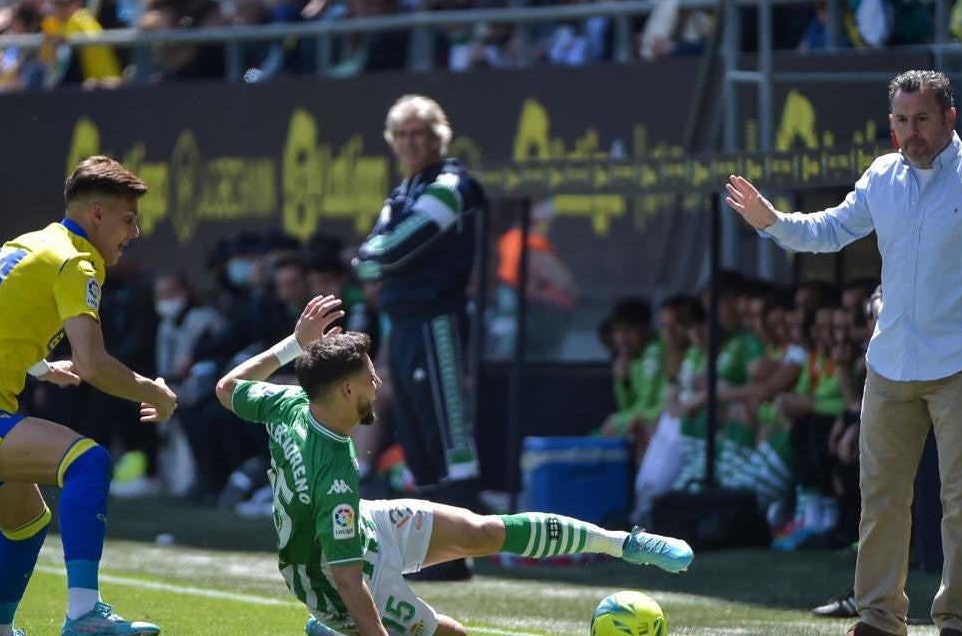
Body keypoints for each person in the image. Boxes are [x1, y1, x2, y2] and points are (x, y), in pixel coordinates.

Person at [724, 69, 962, 636]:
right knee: (880, 496)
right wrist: (773, 222)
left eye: (921, 119)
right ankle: (879, 618)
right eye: (901, 121)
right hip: (891, 361)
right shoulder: (881, 175)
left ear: (950, 118)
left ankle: (957, 619)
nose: (910, 132)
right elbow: (829, 230)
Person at [214, 295, 695, 636]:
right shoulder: (333, 474)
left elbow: (227, 388)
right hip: (335, 581)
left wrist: (294, 345)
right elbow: (347, 579)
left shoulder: (291, 403)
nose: (378, 382)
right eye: (369, 376)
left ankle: (626, 543)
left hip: (360, 529)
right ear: (345, 390)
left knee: (483, 532)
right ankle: (337, 629)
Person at [0, 156, 177, 636]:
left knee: (28, 523)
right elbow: (94, 364)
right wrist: (152, 390)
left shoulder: (30, 243)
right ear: (96, 214)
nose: (134, 232)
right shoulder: (78, 261)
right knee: (88, 461)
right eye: (127, 219)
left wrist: (39, 366)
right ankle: (83, 613)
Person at [352, 95, 487, 579]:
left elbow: (390, 250)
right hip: (404, 321)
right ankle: (438, 556)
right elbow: (372, 251)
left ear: (439, 137)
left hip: (439, 321)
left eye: (420, 133)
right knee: (416, 436)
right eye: (402, 134)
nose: (410, 143)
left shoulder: (453, 184)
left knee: (448, 432)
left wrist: (376, 256)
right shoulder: (403, 189)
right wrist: (375, 255)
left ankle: (465, 548)